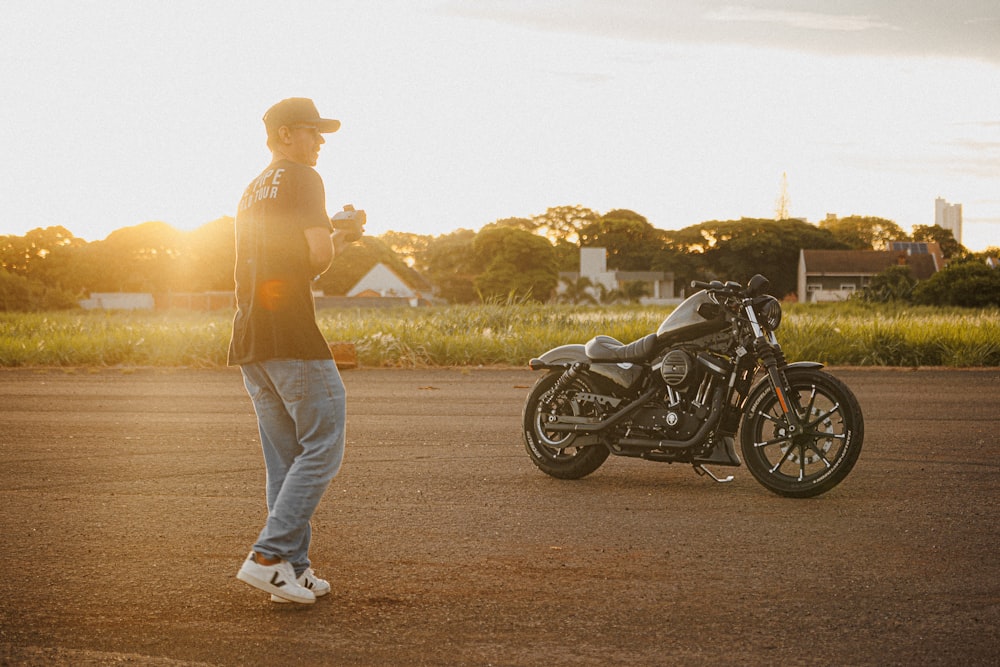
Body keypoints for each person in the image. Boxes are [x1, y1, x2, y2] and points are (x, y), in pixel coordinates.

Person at [229, 97, 364, 604]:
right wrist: (337, 239)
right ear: (286, 134)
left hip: (250, 336)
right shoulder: (305, 178)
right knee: (324, 443)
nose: (320, 141)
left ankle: (292, 569)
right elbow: (317, 255)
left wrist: (335, 237)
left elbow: (285, 260)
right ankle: (267, 556)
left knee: (284, 458)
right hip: (290, 332)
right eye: (312, 131)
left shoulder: (250, 189)